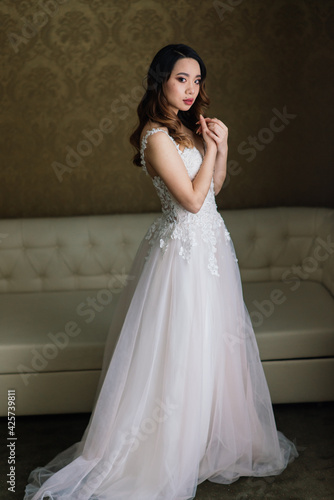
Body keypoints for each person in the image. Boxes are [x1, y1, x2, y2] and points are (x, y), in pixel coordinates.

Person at [24, 43, 298, 500]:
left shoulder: (192, 129)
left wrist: (221, 145)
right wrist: (210, 147)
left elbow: (213, 190)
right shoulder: (156, 137)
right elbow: (191, 202)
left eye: (196, 80)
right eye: (180, 78)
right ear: (160, 81)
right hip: (182, 257)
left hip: (212, 249)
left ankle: (208, 441)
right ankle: (166, 450)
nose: (190, 89)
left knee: (214, 345)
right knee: (181, 348)